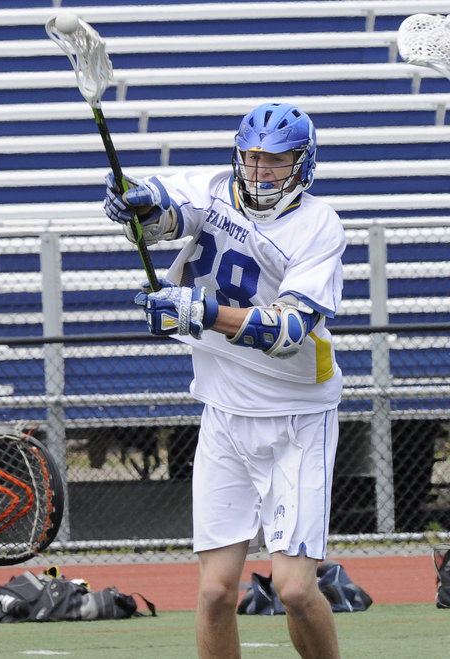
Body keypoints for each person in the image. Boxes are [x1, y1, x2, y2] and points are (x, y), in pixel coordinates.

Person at [103, 102, 345, 658]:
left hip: (297, 417)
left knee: (294, 589)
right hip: (223, 413)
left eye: (277, 161)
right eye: (253, 158)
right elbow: (164, 212)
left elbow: (287, 329)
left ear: (302, 164)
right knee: (214, 592)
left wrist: (200, 314)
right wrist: (135, 205)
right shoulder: (213, 188)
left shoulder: (318, 226)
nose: (261, 172)